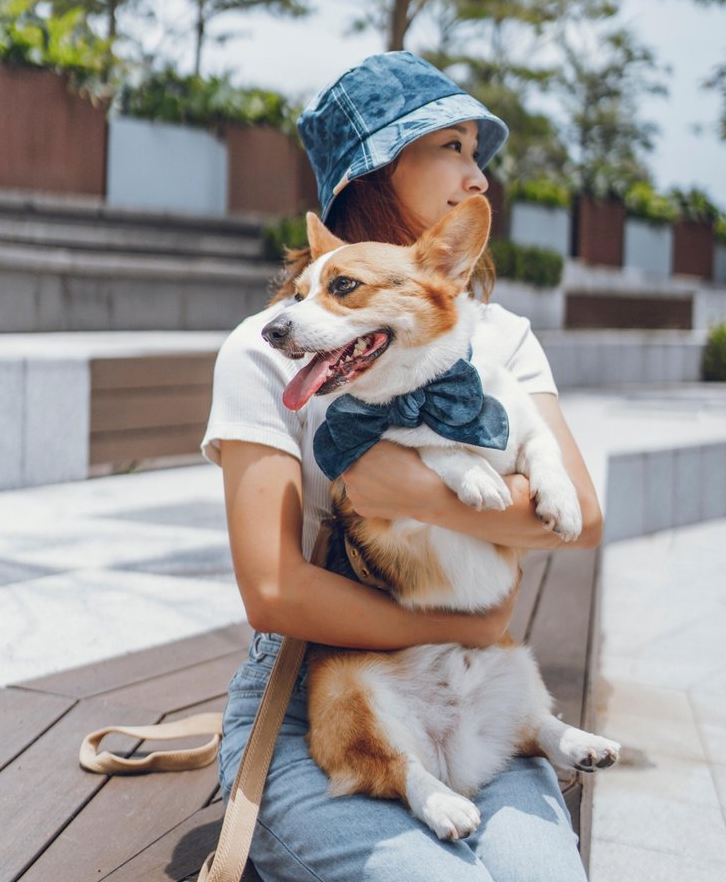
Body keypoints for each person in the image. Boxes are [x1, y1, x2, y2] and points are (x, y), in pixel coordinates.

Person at [202, 51, 603, 882]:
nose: (478, 176)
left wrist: (414, 489)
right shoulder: (268, 348)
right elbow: (272, 590)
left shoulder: (501, 337)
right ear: (373, 172)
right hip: (316, 694)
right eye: (451, 147)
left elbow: (579, 517)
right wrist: (463, 623)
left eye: (476, 152)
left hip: (469, 684)